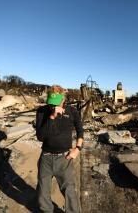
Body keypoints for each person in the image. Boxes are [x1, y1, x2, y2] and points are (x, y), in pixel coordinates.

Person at [35, 85, 83, 213]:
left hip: (64, 158)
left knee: (69, 190)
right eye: (51, 103)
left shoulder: (72, 112)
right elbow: (40, 137)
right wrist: (52, 117)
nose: (53, 106)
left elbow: (80, 131)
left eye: (56, 103)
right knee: (43, 190)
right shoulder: (41, 111)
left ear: (63, 100)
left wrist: (77, 148)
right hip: (46, 158)